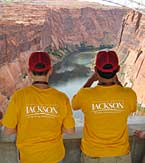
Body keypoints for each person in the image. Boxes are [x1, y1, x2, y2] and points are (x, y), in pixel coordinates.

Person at [2, 52, 75, 163]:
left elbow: (8, 131)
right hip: (55, 156)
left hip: (29, 158)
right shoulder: (61, 98)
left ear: (30, 72)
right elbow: (70, 130)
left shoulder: (19, 97)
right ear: (50, 71)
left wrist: (26, 126)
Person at [72, 50, 137, 163]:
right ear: (118, 69)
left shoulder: (85, 95)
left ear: (96, 70)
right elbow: (131, 107)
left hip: (93, 155)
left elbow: (74, 105)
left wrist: (91, 80)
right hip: (120, 155)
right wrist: (117, 82)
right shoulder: (129, 94)